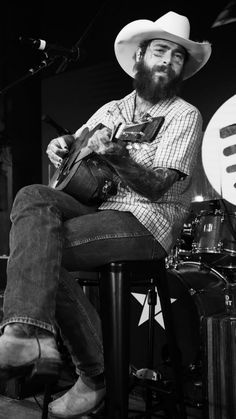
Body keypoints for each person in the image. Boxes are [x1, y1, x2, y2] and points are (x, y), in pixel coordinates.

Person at [0, 11, 211, 418]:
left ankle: (90, 373)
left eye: (178, 57)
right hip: (100, 208)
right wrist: (61, 147)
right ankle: (26, 333)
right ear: (140, 60)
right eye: (160, 51)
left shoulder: (184, 115)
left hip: (148, 220)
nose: (167, 61)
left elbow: (155, 187)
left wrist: (118, 157)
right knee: (31, 195)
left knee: (44, 249)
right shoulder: (113, 108)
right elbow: (75, 150)